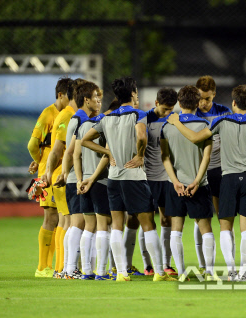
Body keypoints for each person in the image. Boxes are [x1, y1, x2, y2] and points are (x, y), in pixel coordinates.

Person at [166, 84, 246, 281]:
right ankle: (244, 271)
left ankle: (231, 270)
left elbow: (194, 138)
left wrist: (176, 122)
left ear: (233, 103)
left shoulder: (221, 120)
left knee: (226, 227)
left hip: (228, 178)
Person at [81, 76, 171, 282]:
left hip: (114, 178)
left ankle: (121, 273)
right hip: (134, 178)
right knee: (148, 224)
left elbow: (85, 140)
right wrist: (140, 155)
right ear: (132, 94)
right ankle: (158, 271)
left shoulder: (107, 118)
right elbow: (141, 135)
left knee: (117, 225)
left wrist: (108, 152)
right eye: (136, 91)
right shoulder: (138, 114)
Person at [161, 85, 218, 282]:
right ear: (197, 103)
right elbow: (207, 158)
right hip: (199, 185)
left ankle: (182, 272)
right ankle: (209, 272)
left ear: (179, 102)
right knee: (206, 230)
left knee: (176, 230)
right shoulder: (205, 126)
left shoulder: (167, 126)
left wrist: (176, 182)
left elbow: (165, 158)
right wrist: (196, 181)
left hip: (175, 185)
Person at [29, 76, 71, 278]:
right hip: (49, 171)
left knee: (59, 218)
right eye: (68, 96)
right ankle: (42, 267)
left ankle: (55, 266)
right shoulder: (49, 113)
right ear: (60, 95)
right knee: (51, 217)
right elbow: (32, 144)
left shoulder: (64, 113)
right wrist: (40, 161)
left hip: (57, 170)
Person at [76, 99, 120, 280]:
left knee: (89, 227)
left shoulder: (83, 125)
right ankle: (101, 272)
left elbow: (76, 155)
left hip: (84, 182)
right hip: (99, 181)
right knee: (103, 226)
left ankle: (87, 271)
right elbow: (106, 155)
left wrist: (80, 180)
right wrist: (93, 178)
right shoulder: (108, 125)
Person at [61, 81, 100, 279]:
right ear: (86, 100)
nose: (98, 101)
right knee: (78, 223)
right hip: (78, 178)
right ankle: (69, 269)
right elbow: (71, 151)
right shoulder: (81, 120)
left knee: (77, 223)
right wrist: (70, 175)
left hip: (75, 177)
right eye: (96, 97)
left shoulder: (78, 118)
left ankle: (67, 269)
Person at [41, 78, 80, 279]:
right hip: (63, 175)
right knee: (67, 221)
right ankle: (63, 269)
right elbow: (57, 150)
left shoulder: (69, 114)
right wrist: (48, 172)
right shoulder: (67, 116)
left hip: (62, 174)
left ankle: (61, 269)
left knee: (64, 222)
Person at [194, 76, 232, 273]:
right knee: (201, 216)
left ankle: (229, 264)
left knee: (223, 216)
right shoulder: (191, 112)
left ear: (214, 95)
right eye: (200, 98)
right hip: (199, 169)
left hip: (219, 170)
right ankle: (203, 265)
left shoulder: (225, 112)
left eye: (207, 99)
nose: (203, 103)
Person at [143, 87, 178, 276]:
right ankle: (147, 265)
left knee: (167, 219)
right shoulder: (144, 119)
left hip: (166, 177)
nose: (168, 113)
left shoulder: (174, 120)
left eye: (171, 109)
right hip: (147, 178)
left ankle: (166, 263)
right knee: (146, 221)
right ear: (156, 103)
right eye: (165, 109)